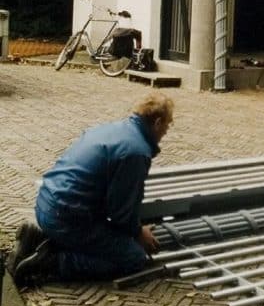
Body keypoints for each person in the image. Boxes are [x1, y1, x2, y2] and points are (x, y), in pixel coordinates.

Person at [7, 92, 175, 284]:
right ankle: (51, 262)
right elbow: (121, 211)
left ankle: (38, 240)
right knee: (134, 257)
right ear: (158, 123)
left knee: (113, 238)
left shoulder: (113, 129)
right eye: (167, 126)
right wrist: (137, 232)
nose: (166, 132)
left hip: (47, 205)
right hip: (67, 219)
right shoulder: (136, 152)